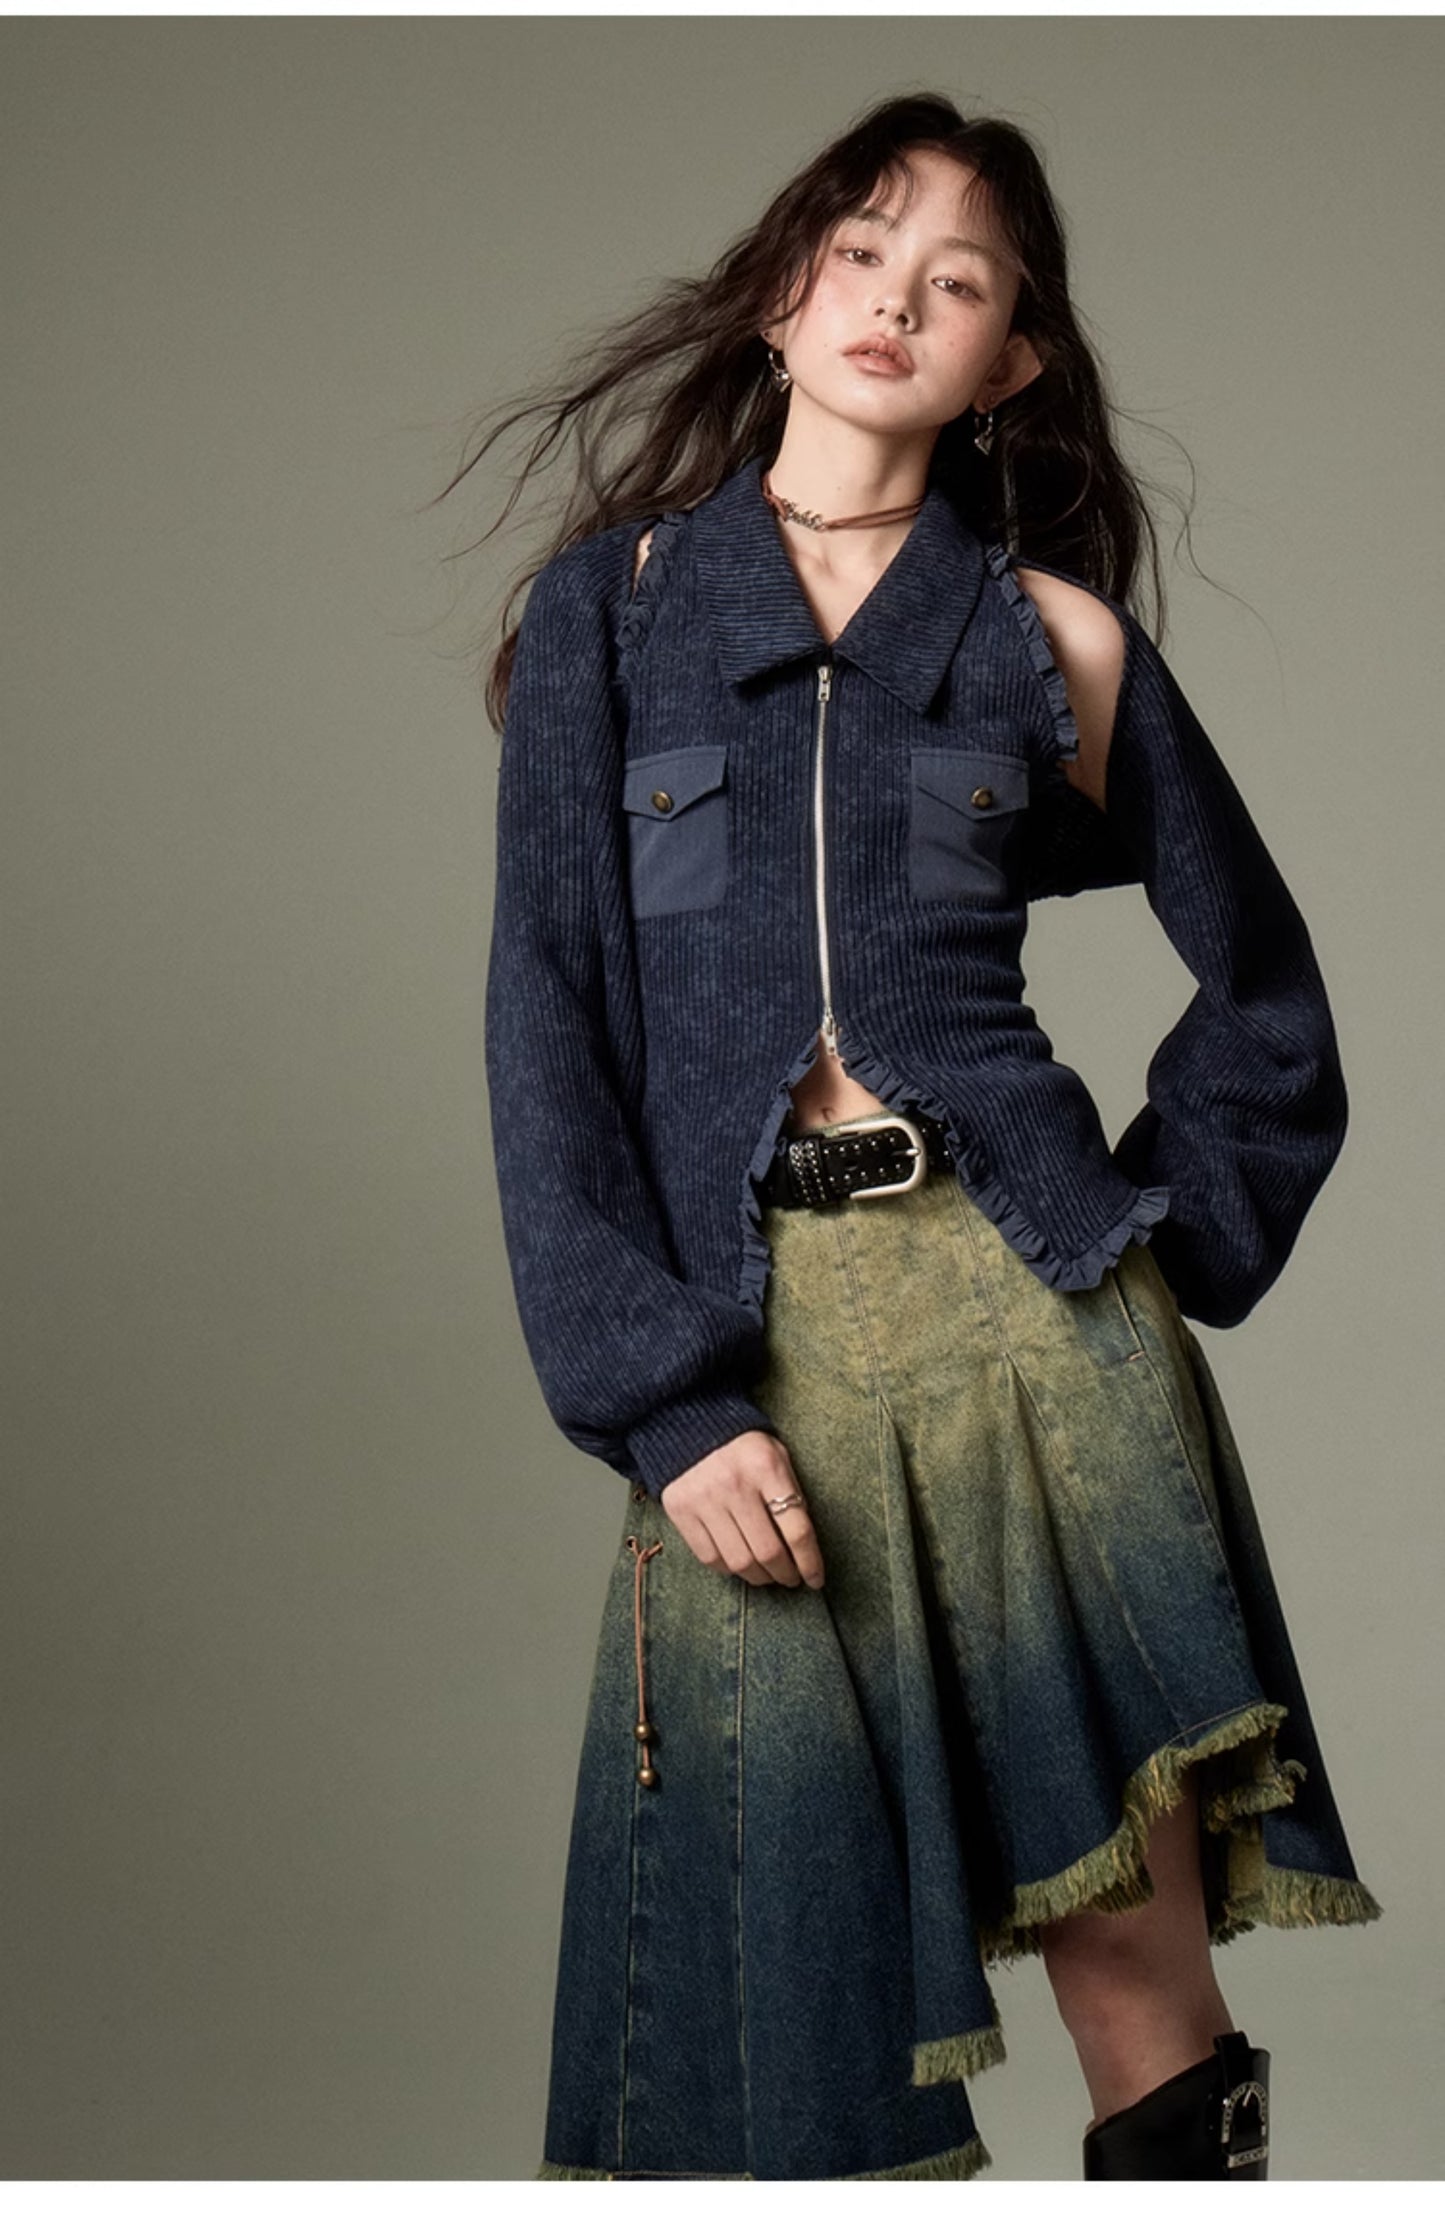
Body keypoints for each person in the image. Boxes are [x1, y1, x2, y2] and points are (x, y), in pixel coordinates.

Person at [462, 91, 1383, 2182]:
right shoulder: (612, 616)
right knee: (772, 1992)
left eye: (956, 282)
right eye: (861, 251)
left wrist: (1164, 1245)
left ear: (1007, 363)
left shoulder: (1051, 639)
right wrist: (663, 1404)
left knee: (1133, 1960)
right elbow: (548, 1024)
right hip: (749, 1344)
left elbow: (1267, 998)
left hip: (1034, 1322)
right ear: (781, 297)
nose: (897, 299)